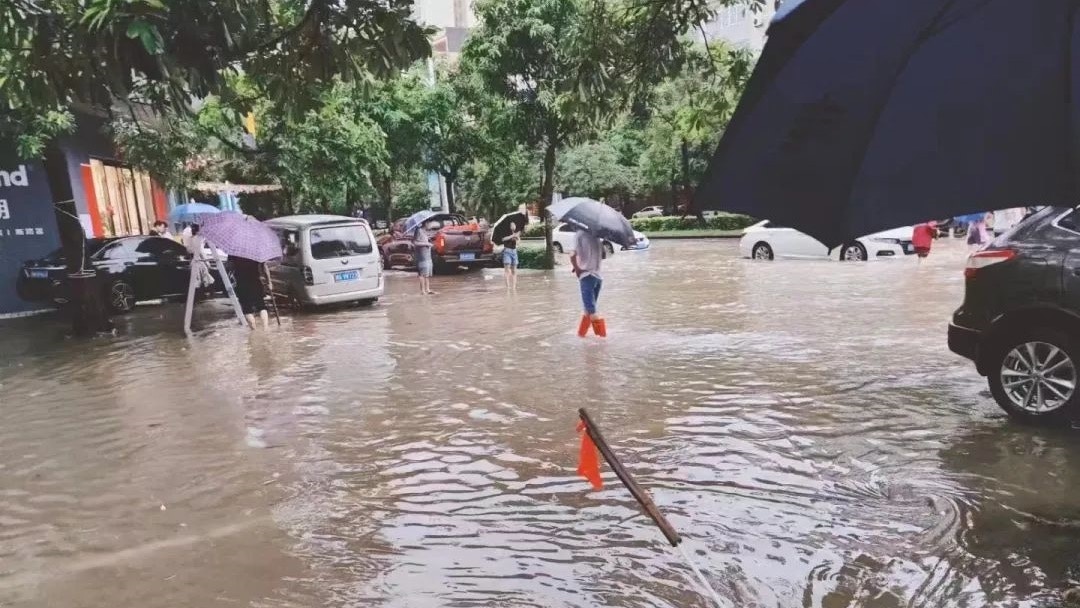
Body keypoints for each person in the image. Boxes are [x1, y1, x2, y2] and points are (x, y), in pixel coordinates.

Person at [570, 227, 606, 337]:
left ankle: (602, 339)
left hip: (587, 276)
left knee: (591, 310)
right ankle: (581, 336)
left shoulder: (579, 234)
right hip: (598, 277)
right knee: (588, 309)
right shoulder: (597, 235)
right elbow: (603, 255)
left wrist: (577, 269)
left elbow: (572, 255)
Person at [231, 256, 270, 329]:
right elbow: (264, 267)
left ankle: (254, 330)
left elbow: (230, 267)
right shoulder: (255, 252)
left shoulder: (234, 252)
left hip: (241, 283)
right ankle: (265, 329)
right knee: (261, 305)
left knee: (247, 309)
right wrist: (269, 282)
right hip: (255, 282)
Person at [413, 223, 435, 295]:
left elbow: (424, 241)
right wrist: (426, 244)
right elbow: (415, 242)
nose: (430, 225)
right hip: (422, 255)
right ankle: (422, 291)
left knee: (427, 273)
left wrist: (429, 241)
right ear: (425, 223)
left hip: (427, 254)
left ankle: (427, 289)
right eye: (429, 223)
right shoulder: (418, 230)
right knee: (422, 273)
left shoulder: (425, 231)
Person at [501, 221, 521, 290]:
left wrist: (517, 238)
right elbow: (503, 239)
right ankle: (508, 287)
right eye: (512, 225)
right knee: (507, 270)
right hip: (507, 251)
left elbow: (518, 243)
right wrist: (512, 236)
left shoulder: (516, 233)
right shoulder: (505, 232)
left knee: (514, 270)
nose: (513, 226)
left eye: (514, 225)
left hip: (514, 251)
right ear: (509, 226)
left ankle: (514, 287)